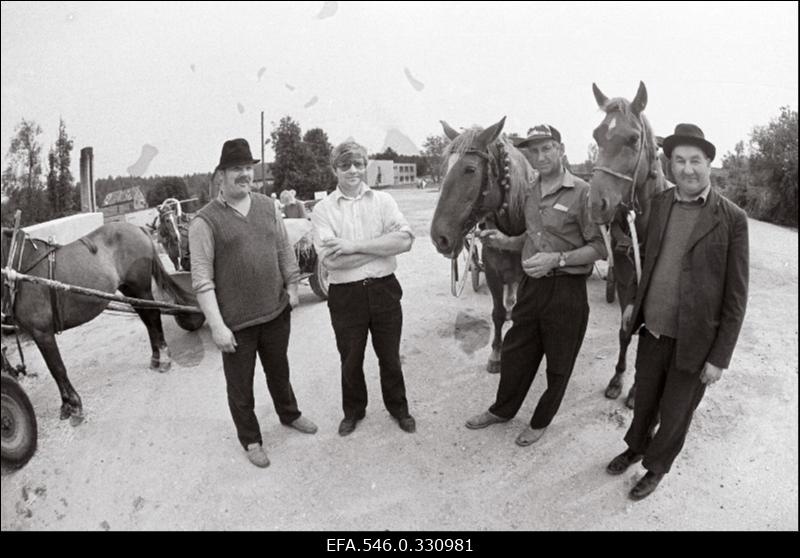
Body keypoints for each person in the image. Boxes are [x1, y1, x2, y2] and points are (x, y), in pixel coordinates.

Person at [605, 124, 749, 500]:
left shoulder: (732, 218)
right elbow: (646, 262)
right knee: (645, 402)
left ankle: (656, 467)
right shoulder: (659, 205)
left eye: (695, 161)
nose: (687, 169)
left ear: (709, 165)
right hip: (652, 329)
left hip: (696, 341)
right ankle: (636, 446)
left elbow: (736, 295)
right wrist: (634, 301)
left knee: (675, 414)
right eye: (680, 160)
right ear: (670, 165)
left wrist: (720, 357)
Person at [465, 124, 606, 446]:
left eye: (546, 149)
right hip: (532, 287)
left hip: (566, 291)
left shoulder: (582, 191)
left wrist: (556, 260)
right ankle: (502, 410)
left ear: (561, 149)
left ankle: (540, 421)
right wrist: (504, 240)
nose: (540, 157)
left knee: (559, 363)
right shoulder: (529, 192)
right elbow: (531, 238)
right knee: (515, 353)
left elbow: (599, 247)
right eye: (533, 151)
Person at [189, 138, 317, 468]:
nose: (245, 174)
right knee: (241, 387)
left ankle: (290, 415)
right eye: (236, 169)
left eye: (248, 167)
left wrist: (292, 287)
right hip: (237, 325)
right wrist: (216, 326)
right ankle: (251, 440)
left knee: (279, 372)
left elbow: (283, 249)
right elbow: (202, 280)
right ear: (220, 175)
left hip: (275, 312)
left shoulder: (265, 205)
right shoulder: (205, 221)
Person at [310, 140, 416, 436]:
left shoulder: (383, 202)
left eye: (358, 163)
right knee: (351, 359)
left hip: (384, 290)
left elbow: (406, 240)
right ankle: (354, 411)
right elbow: (332, 262)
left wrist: (354, 246)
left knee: (390, 357)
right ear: (335, 169)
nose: (352, 170)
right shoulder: (323, 210)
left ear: (365, 164)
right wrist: (383, 248)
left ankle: (399, 409)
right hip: (346, 297)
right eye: (345, 165)